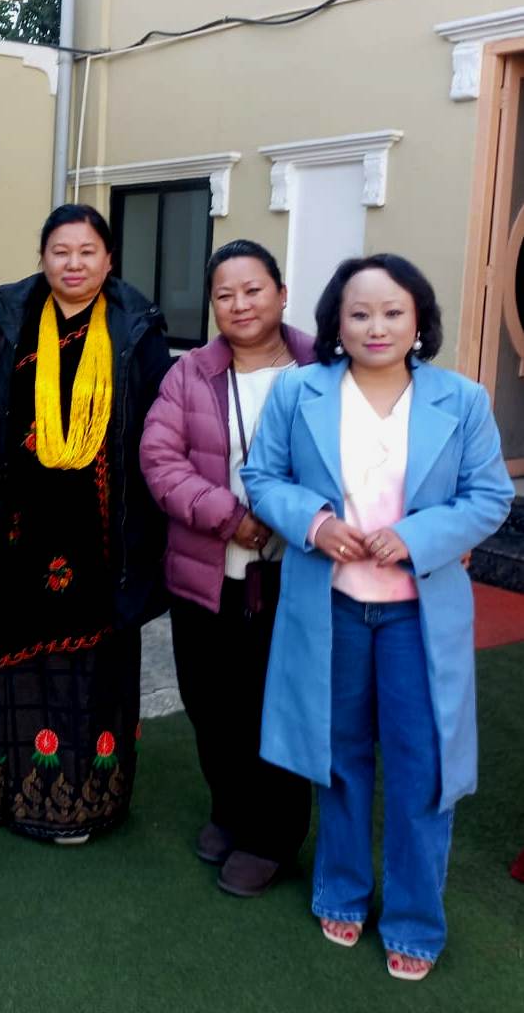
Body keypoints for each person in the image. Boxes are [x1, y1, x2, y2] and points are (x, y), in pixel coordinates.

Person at [243, 254, 513, 980]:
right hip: (330, 608)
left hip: (416, 618)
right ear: (336, 321)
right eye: (359, 313)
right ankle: (341, 890)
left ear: (419, 318)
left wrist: (418, 537)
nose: (376, 327)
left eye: (393, 312)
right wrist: (316, 522)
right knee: (340, 760)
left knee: (423, 767)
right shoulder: (299, 390)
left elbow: (489, 496)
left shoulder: (462, 400)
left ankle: (416, 922)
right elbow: (261, 477)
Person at [0, 204, 172, 844]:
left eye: (86, 251)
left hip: (104, 535)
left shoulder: (135, 328)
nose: (73, 264)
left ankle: (90, 803)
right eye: (60, 251)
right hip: (24, 532)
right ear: (43, 257)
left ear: (109, 259)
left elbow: (163, 421)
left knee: (97, 667)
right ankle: (18, 796)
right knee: (25, 660)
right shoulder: (11, 322)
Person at [140, 239, 313, 895]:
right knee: (210, 701)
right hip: (207, 571)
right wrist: (228, 516)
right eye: (224, 294)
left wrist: (296, 515)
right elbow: (160, 460)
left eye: (253, 290)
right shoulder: (190, 374)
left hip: (294, 575)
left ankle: (273, 836)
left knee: (277, 705)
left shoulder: (323, 367)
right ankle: (230, 810)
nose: (240, 304)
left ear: (282, 294)